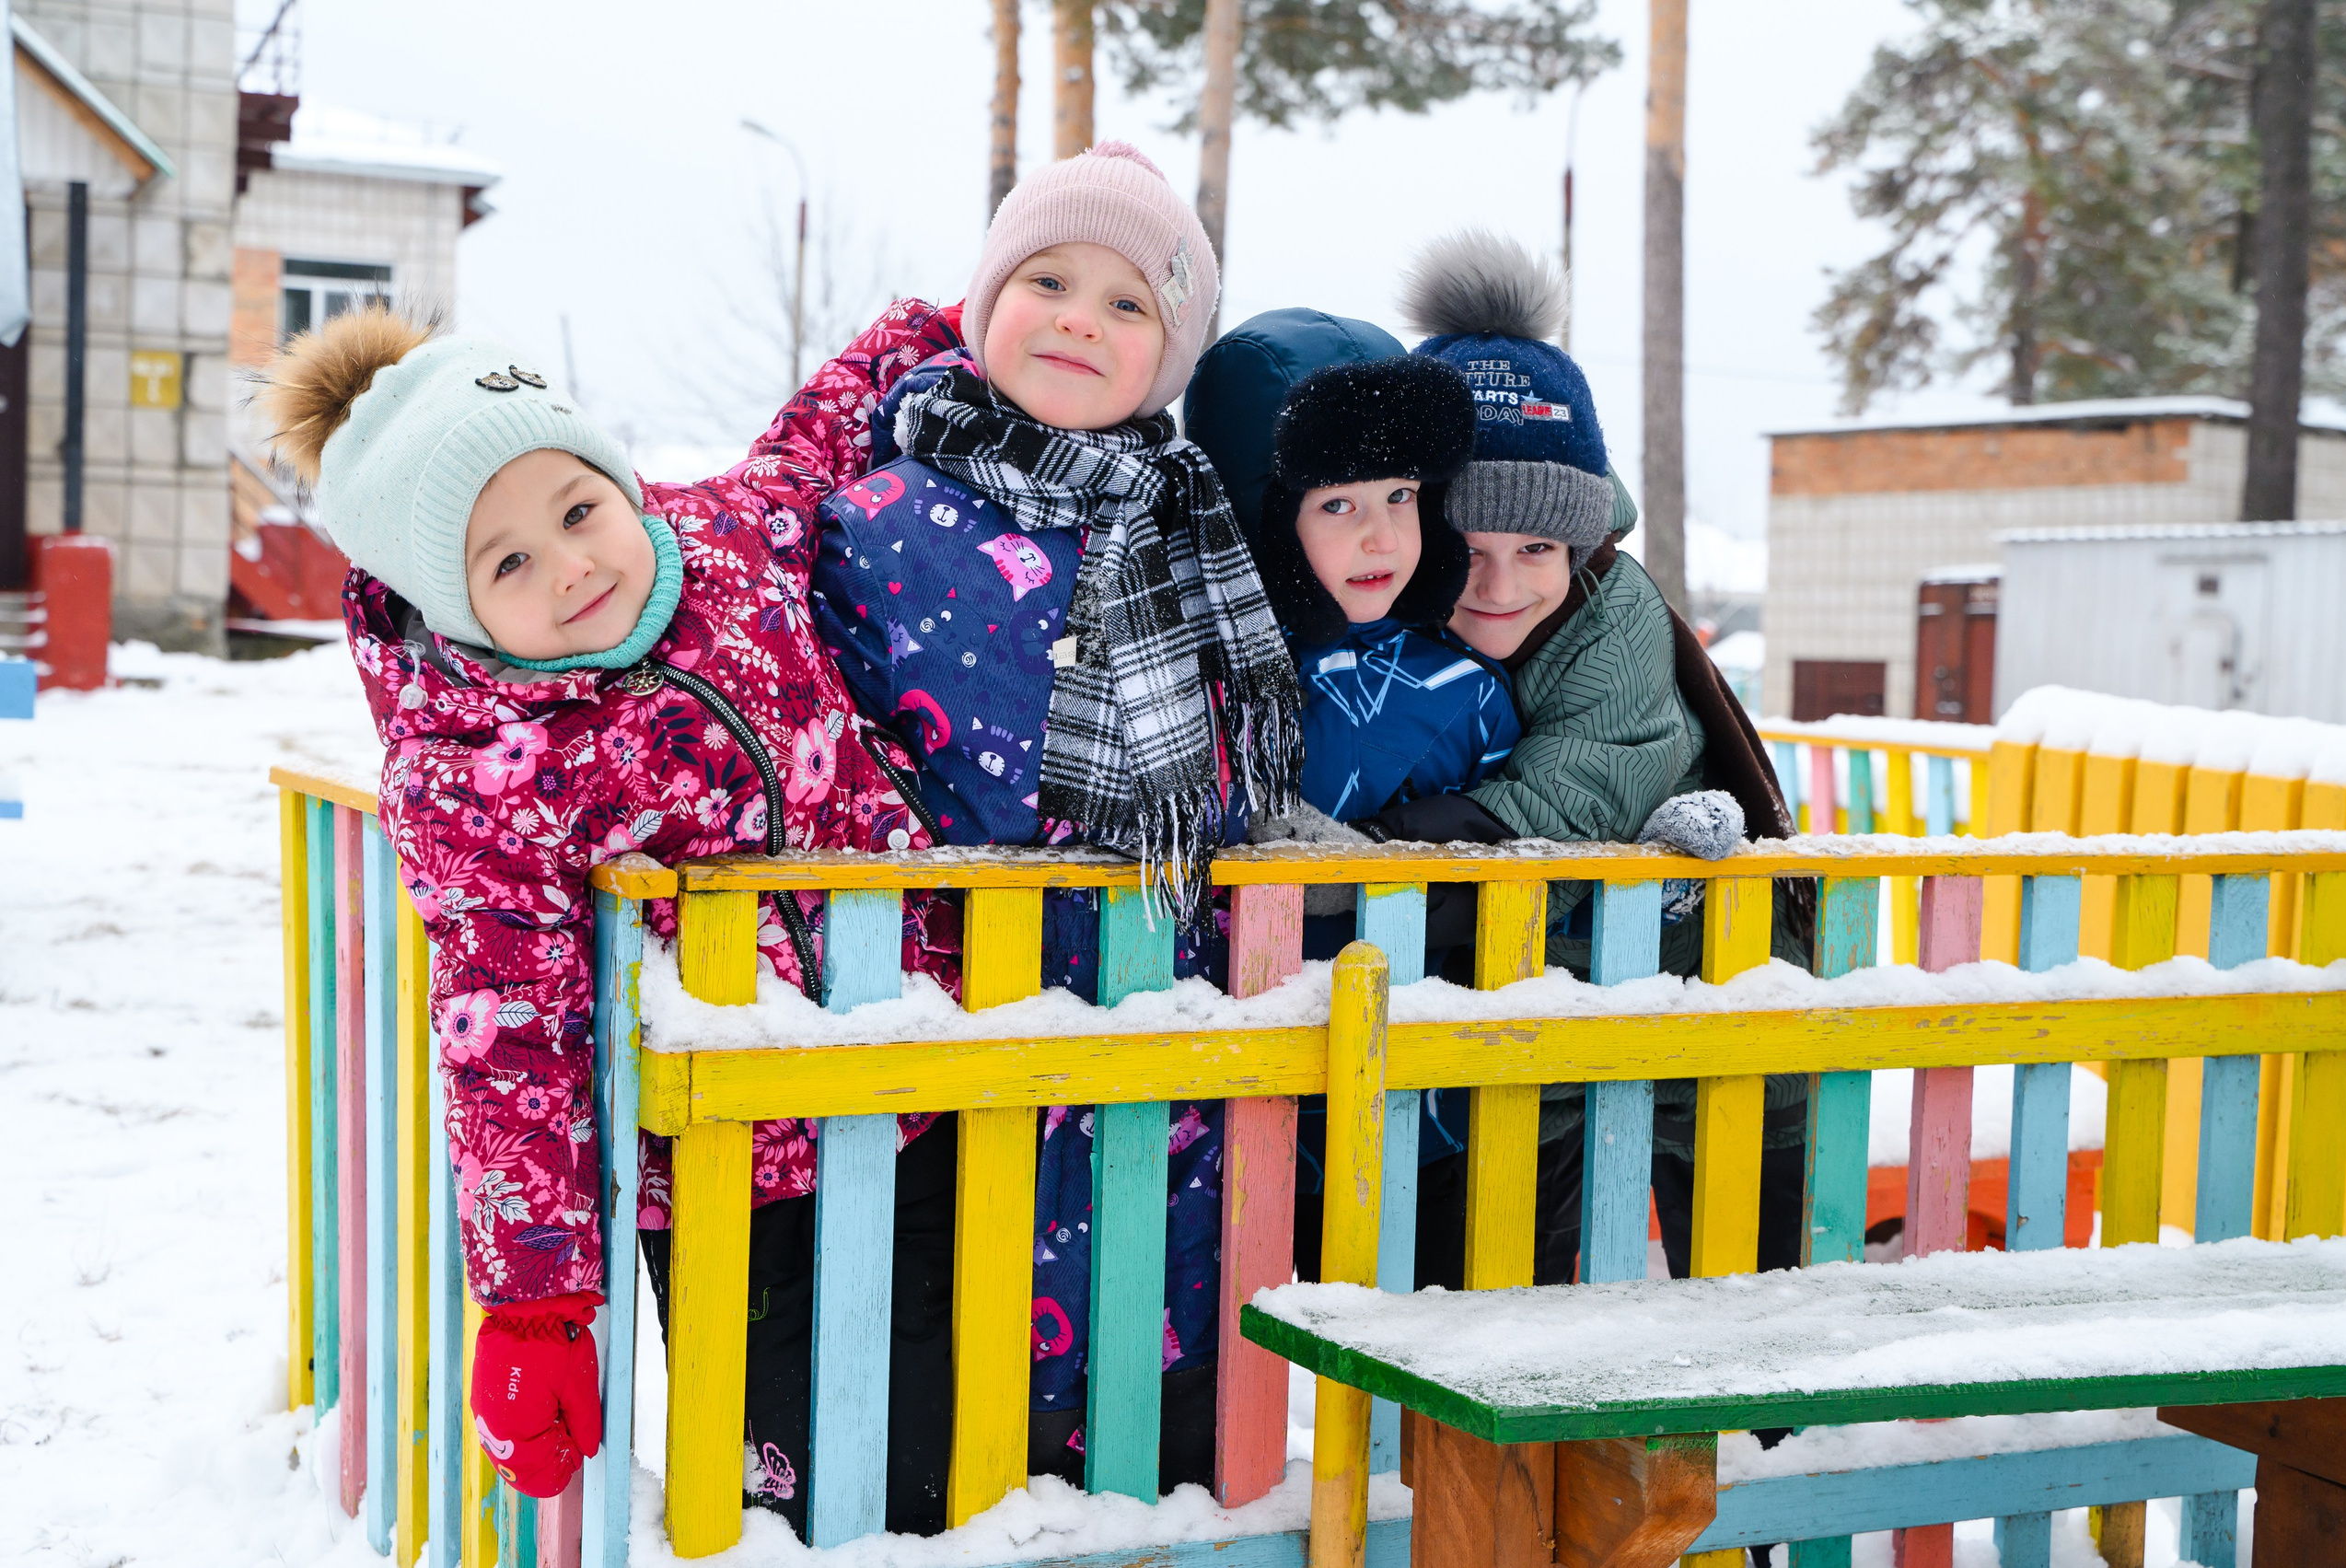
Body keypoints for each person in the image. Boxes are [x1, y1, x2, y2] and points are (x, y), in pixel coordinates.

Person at [252, 299, 967, 1531]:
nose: (573, 564)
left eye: (577, 509)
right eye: (508, 562)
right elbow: (509, 1034)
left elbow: (826, 427)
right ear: (449, 602)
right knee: (810, 1474)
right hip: (731, 1172)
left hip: (928, 1070)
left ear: (615, 479)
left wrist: (962, 317)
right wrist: (536, 1302)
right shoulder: (483, 770)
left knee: (970, 1422)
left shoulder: (739, 537)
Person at [806, 142, 1299, 1494]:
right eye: (1046, 278)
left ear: (1172, 353)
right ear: (982, 304)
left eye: (1130, 302)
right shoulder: (869, 517)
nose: (1080, 315)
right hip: (956, 1004)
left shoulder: (1192, 527)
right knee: (959, 1360)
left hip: (1166, 1006)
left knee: (1165, 1344)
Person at [1368, 230, 1816, 1287]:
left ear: (1579, 547)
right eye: (1467, 549)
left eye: (1535, 551)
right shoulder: (1404, 614)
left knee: (1742, 1243)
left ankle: (1759, 1426)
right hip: (1546, 999)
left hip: (1711, 968)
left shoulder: (1610, 612)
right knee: (1513, 1256)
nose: (1500, 584)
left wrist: (1449, 824)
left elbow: (1594, 775)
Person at [1185, 310, 1521, 1272]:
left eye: (1402, 494)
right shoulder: (1214, 681)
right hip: (1253, 1071)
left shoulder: (1464, 683)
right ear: (1263, 510)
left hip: (1431, 1070)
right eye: (1337, 504)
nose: (1381, 533)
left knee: (1424, 1299)